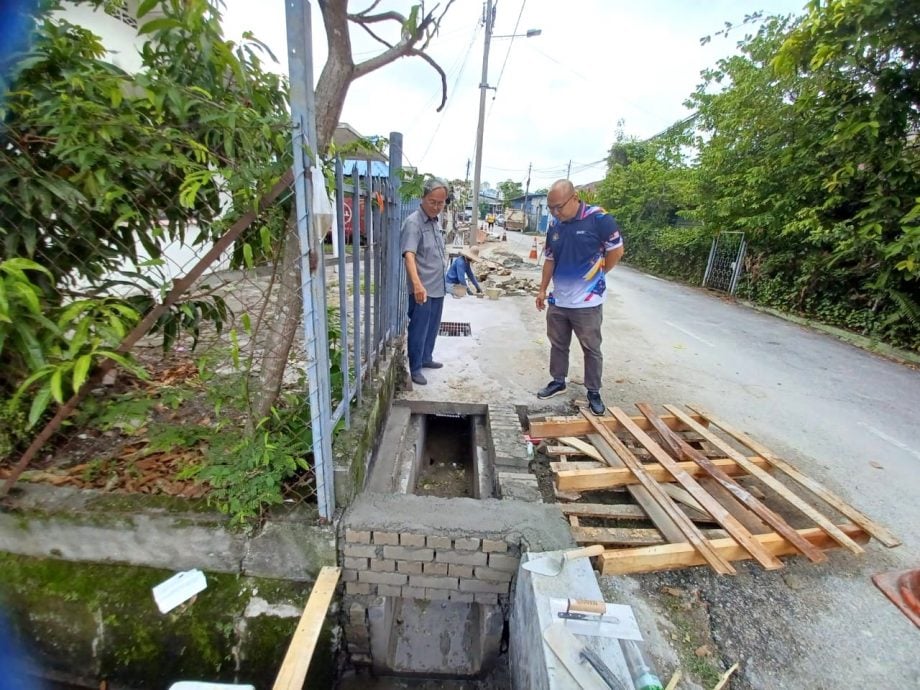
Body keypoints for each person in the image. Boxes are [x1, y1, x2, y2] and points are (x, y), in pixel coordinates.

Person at [534, 179, 624, 415]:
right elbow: (550, 259)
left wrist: (599, 274)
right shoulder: (555, 225)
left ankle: (593, 391)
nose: (555, 212)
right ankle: (558, 380)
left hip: (587, 303)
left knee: (591, 347)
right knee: (558, 343)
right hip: (559, 300)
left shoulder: (599, 219)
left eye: (559, 206)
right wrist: (543, 289)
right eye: (551, 207)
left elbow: (616, 251)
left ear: (574, 198)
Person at [401, 177, 450, 386]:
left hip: (437, 286)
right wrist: (417, 284)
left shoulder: (435, 221)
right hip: (422, 289)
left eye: (441, 203)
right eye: (432, 202)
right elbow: (409, 255)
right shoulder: (414, 222)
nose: (437, 207)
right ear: (423, 197)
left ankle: (426, 357)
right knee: (419, 329)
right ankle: (415, 367)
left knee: (432, 326)